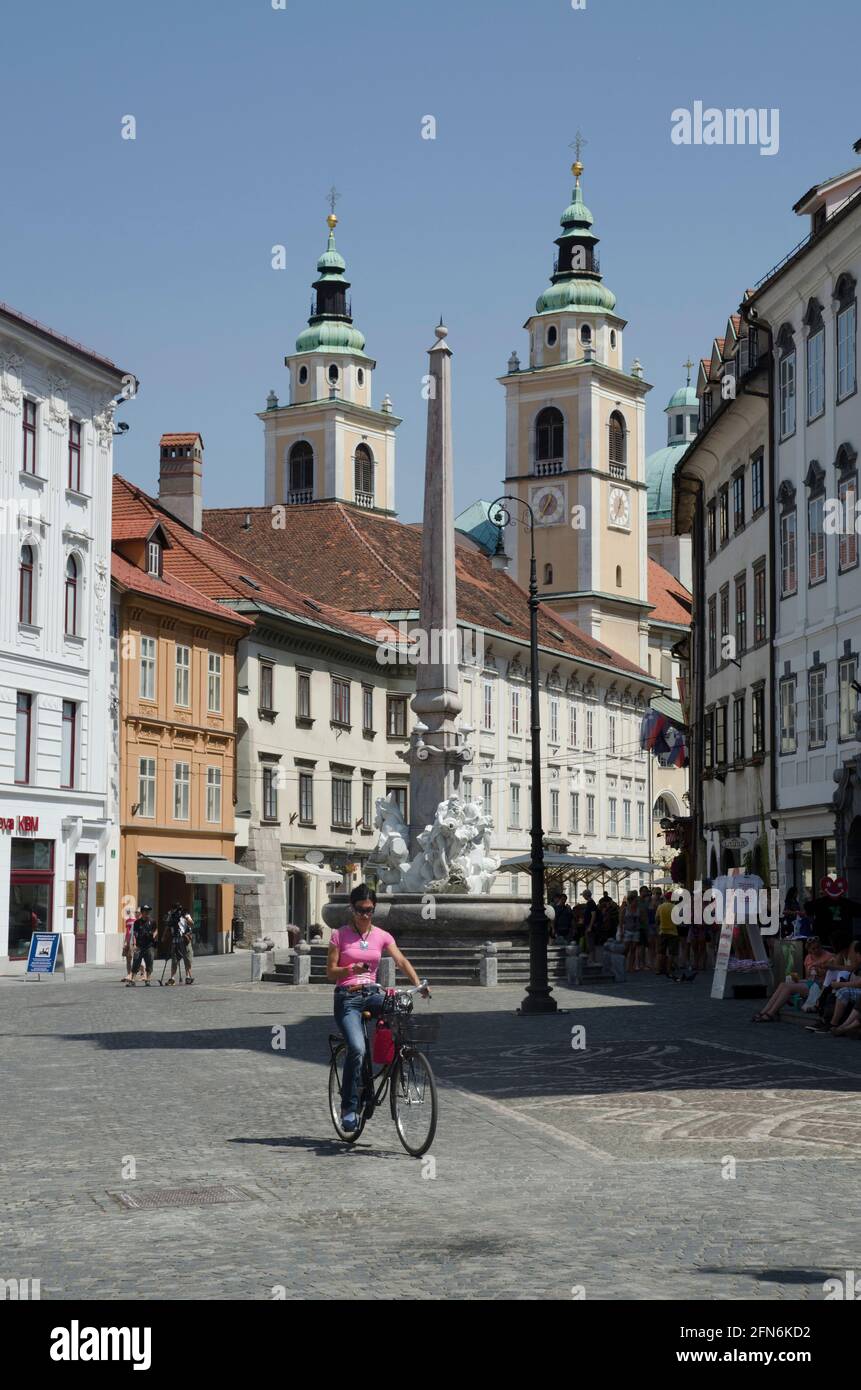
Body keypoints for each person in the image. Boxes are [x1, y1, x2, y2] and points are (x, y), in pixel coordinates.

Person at [327, 885, 429, 1133]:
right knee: (357, 1049)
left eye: (370, 910)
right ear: (352, 909)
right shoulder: (338, 935)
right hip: (347, 997)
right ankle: (349, 1108)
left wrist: (419, 984)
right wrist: (351, 970)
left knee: (400, 1010)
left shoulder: (382, 935)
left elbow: (401, 960)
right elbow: (330, 972)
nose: (365, 915)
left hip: (372, 994)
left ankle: (399, 1058)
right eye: (361, 910)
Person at [751, 936, 835, 1021]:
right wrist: (798, 980)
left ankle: (770, 1013)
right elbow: (808, 977)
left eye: (818, 947)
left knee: (788, 988)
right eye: (813, 949)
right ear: (809, 950)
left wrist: (820, 971)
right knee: (783, 984)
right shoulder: (808, 958)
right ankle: (764, 1011)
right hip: (811, 983)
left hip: (820, 986)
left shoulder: (829, 957)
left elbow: (831, 975)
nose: (816, 950)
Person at [127, 905, 157, 987]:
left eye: (148, 911)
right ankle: (132, 980)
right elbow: (134, 934)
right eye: (145, 911)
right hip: (139, 946)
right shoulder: (137, 922)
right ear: (142, 912)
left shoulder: (152, 921)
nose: (147, 913)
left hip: (149, 945)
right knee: (136, 962)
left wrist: (154, 935)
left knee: (149, 962)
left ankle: (148, 979)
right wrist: (134, 945)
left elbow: (155, 930)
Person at [166, 905, 194, 985]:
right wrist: (164, 936)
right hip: (175, 940)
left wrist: (186, 918)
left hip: (185, 939)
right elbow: (168, 925)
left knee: (187, 958)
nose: (177, 911)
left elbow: (192, 923)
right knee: (174, 960)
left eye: (178, 909)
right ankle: (172, 978)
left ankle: (188, 976)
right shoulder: (171, 916)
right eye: (175, 909)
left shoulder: (185, 914)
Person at [656, 892, 679, 975]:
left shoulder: (660, 907)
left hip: (662, 931)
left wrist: (659, 926)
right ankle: (668, 970)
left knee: (661, 952)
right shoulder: (674, 907)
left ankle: (658, 969)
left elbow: (657, 918)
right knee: (671, 952)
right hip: (673, 932)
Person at [622, 891, 641, 974]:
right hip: (627, 931)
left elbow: (641, 920)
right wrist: (621, 930)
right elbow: (621, 921)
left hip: (636, 931)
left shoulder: (638, 909)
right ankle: (623, 965)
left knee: (633, 949)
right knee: (626, 949)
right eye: (635, 901)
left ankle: (631, 966)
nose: (637, 902)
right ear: (631, 901)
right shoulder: (625, 909)